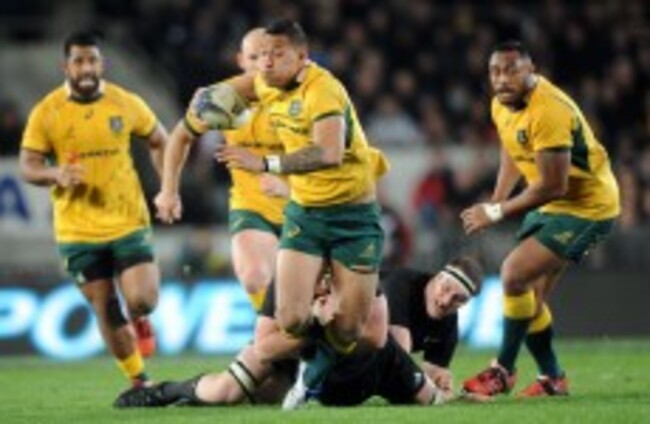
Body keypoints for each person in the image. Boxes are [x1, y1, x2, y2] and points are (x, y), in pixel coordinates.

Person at [169, 19, 386, 408]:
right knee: (290, 320)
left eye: (276, 54)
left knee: (352, 329)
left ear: (302, 57)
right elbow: (215, 100)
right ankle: (300, 363)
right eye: (261, 55)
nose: (266, 62)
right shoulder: (265, 82)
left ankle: (309, 373)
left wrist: (266, 163)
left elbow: (329, 153)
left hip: (352, 217)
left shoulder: (323, 90)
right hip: (304, 214)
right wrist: (206, 99)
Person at [460, 41, 620, 398]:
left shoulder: (548, 110)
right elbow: (513, 148)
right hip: (555, 204)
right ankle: (553, 379)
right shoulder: (501, 104)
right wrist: (497, 199)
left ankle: (502, 371)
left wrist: (498, 212)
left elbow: (553, 185)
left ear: (531, 70)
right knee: (528, 299)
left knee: (513, 273)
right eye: (495, 71)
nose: (502, 79)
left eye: (511, 70)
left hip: (587, 206)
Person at [19, 31, 169, 389]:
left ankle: (140, 317)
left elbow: (159, 139)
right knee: (104, 305)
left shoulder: (124, 102)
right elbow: (28, 165)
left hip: (126, 220)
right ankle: (138, 381)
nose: (86, 68)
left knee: (143, 299)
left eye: (92, 60)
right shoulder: (47, 111)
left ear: (102, 64)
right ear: (66, 66)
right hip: (77, 230)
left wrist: (167, 189)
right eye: (79, 61)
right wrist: (55, 174)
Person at [113, 275, 444, 408]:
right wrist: (313, 323)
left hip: (368, 369)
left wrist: (335, 324)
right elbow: (264, 348)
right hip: (297, 356)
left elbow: (376, 337)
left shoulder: (361, 276)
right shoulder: (288, 279)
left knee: (432, 401)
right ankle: (166, 391)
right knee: (224, 393)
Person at [154, 28, 286, 311]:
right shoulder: (223, 98)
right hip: (252, 208)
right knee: (254, 277)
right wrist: (168, 190)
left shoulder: (301, 97)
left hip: (303, 206)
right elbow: (180, 137)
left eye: (269, 56)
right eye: (254, 57)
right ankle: (274, 325)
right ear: (240, 60)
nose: (262, 64)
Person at [381, 256, 484, 402]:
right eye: (446, 288)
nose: (445, 302)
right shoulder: (399, 285)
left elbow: (432, 375)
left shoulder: (449, 324)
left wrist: (447, 390)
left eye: (459, 299)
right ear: (438, 277)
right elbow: (400, 366)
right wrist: (434, 394)